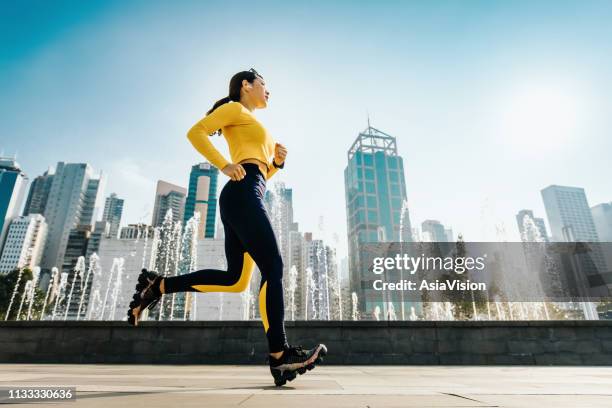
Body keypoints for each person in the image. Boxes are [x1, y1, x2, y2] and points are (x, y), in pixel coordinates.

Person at [126, 68, 327, 386]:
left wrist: (275, 164)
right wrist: (224, 165)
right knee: (273, 268)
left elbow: (258, 177)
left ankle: (159, 286)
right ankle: (280, 355)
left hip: (246, 194)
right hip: (242, 196)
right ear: (246, 86)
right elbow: (196, 132)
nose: (268, 90)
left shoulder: (254, 122)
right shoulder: (234, 107)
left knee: (235, 279)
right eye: (264, 84)